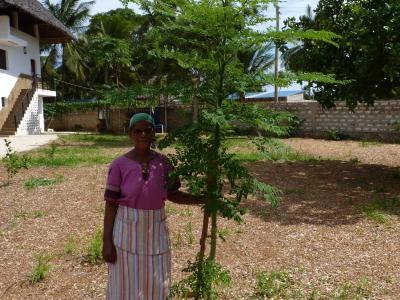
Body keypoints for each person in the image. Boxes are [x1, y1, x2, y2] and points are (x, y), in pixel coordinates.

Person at [102, 113, 202, 300]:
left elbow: (173, 194)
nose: (142, 134)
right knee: (124, 285)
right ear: (130, 134)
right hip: (126, 235)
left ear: (154, 133)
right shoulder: (119, 165)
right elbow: (111, 204)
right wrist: (107, 242)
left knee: (157, 284)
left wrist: (201, 199)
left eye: (147, 130)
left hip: (156, 233)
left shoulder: (163, 163)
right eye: (137, 131)